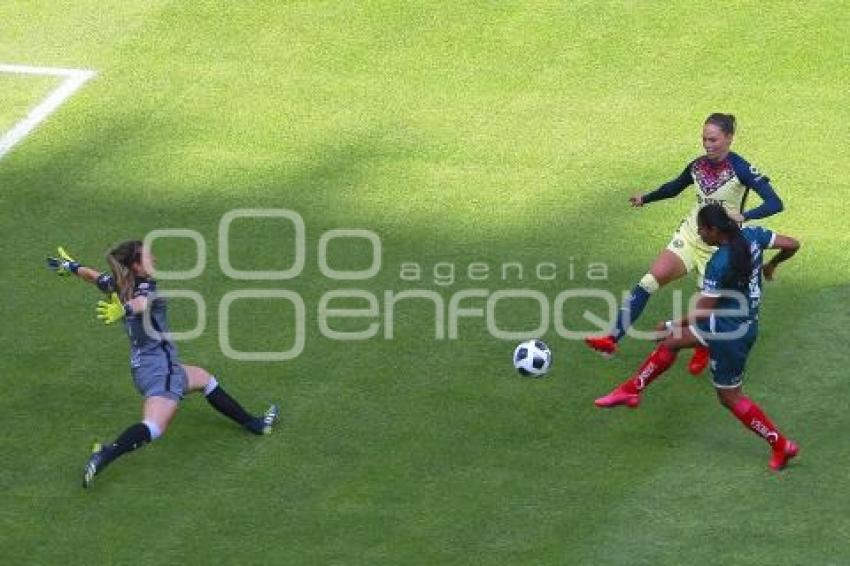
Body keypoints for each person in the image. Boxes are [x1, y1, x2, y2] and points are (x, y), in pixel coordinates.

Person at [46, 241, 280, 488]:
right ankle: (106, 453)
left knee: (203, 378)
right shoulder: (146, 288)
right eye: (148, 257)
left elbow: (94, 277)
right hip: (161, 369)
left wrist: (71, 266)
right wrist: (125, 310)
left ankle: (255, 424)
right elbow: (142, 304)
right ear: (136, 266)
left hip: (143, 367)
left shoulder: (116, 284)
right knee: (154, 427)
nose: (154, 259)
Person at [593, 204, 800, 471]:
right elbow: (792, 244)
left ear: (715, 230)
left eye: (702, 229)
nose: (700, 235)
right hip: (733, 322)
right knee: (672, 342)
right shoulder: (753, 235)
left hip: (729, 333)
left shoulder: (718, 263)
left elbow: (703, 311)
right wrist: (772, 264)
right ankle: (631, 390)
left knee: (730, 397)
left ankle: (781, 445)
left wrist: (670, 323)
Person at [586, 113, 784, 376]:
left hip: (720, 247)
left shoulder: (743, 169)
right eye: (704, 139)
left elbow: (775, 203)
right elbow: (675, 187)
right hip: (692, 236)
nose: (707, 144)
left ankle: (703, 347)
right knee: (648, 281)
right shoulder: (698, 165)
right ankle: (611, 339)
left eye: (713, 139)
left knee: (707, 309)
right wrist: (646, 198)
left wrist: (746, 216)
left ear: (729, 138)